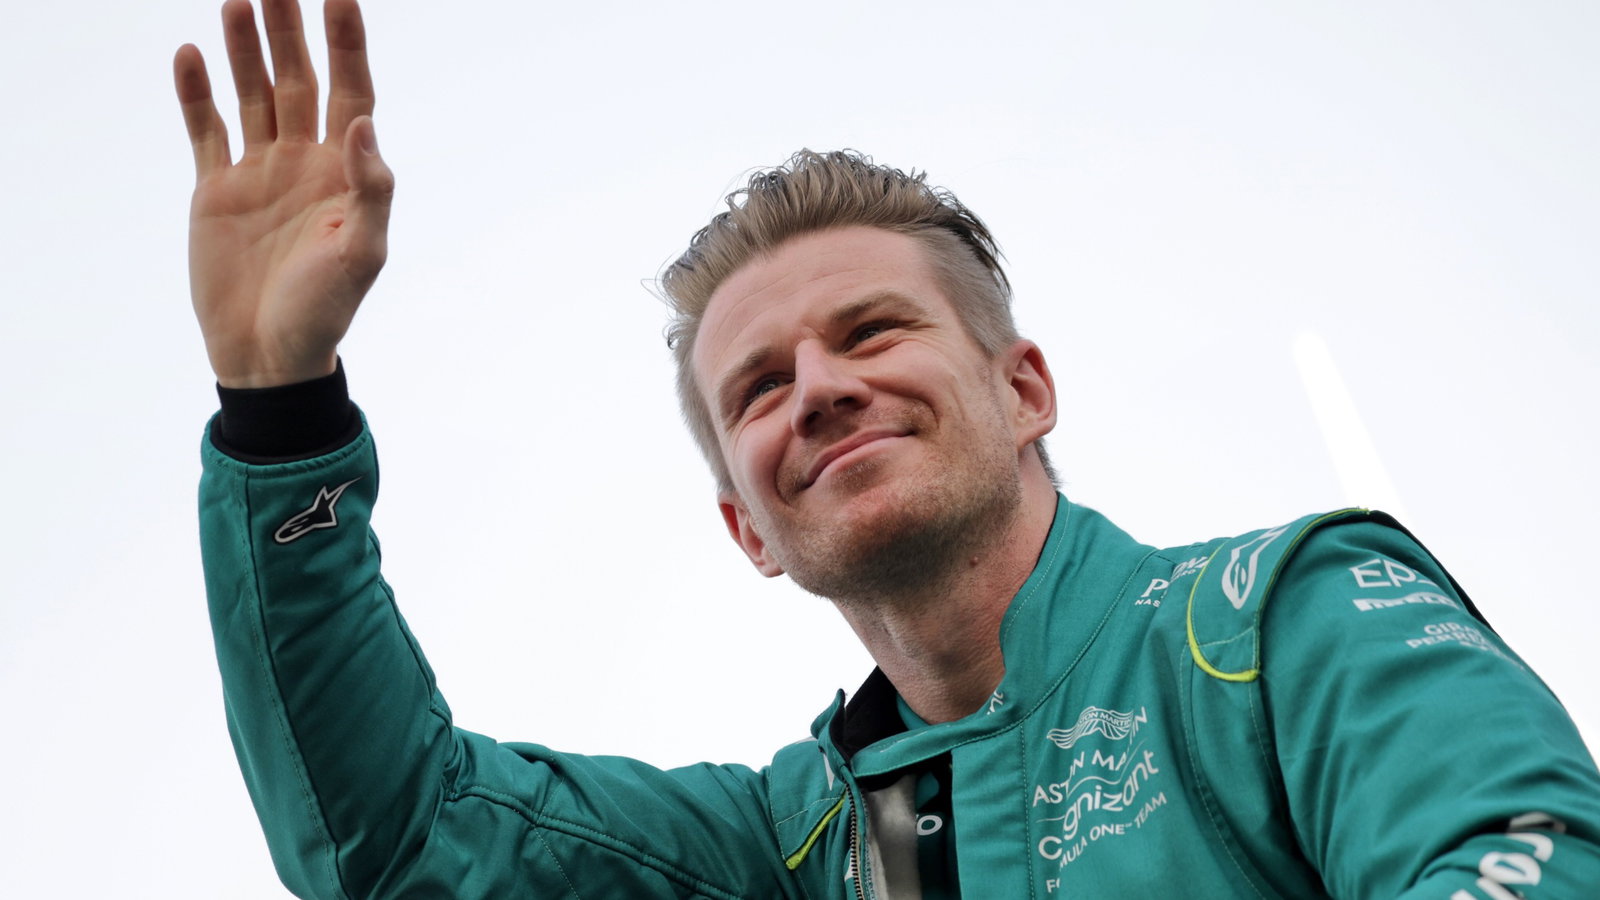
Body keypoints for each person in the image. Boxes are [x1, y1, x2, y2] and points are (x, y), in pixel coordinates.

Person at [175, 1, 1600, 897]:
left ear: (1026, 385)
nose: (819, 388)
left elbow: (1519, 857)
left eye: (871, 332)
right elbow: (412, 841)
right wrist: (277, 405)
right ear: (746, 526)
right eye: (759, 388)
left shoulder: (1278, 619)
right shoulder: (790, 851)